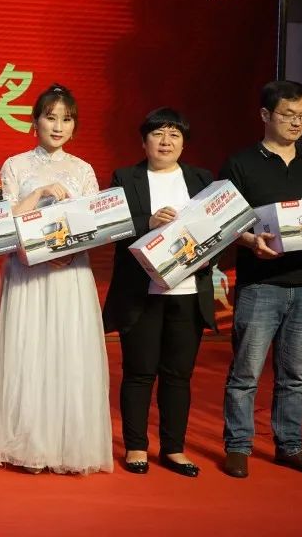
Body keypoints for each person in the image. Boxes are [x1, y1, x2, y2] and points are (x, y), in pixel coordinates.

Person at [0, 83, 113, 474]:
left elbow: (95, 225)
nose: (58, 126)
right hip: (27, 273)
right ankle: (29, 446)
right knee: (28, 355)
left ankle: (68, 446)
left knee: (68, 354)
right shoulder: (15, 166)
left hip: (69, 275)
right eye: (50, 117)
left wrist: (68, 252)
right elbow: (4, 222)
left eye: (66, 119)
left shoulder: (83, 170)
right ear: (35, 121)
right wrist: (40, 192)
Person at [219, 80, 302, 478]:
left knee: (295, 374)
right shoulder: (240, 163)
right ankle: (238, 445)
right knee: (246, 372)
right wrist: (251, 240)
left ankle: (290, 446)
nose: (296, 122)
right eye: (288, 114)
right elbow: (224, 222)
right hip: (260, 283)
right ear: (265, 115)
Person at [101, 108, 215, 477]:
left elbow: (218, 228)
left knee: (178, 375)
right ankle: (136, 445)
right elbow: (111, 226)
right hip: (141, 292)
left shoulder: (201, 179)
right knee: (139, 372)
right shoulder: (126, 177)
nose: (166, 142)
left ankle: (174, 448)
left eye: (174, 135)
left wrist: (207, 256)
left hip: (188, 291)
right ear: (144, 140)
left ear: (184, 143)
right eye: (158, 134)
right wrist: (147, 223)